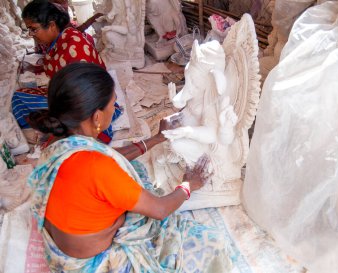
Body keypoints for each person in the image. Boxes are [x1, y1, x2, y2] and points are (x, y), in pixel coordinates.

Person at [28, 62, 235, 272]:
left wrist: (155, 139)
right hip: (93, 263)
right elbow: (160, 209)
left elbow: (110, 158)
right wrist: (188, 185)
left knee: (135, 171)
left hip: (66, 248)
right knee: (212, 243)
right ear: (97, 117)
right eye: (113, 103)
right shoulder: (97, 166)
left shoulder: (57, 143)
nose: (116, 108)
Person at [12, 0, 119, 143]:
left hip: (89, 104)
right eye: (29, 29)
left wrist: (59, 108)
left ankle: (59, 132)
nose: (31, 34)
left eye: (34, 29)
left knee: (19, 100)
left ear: (51, 25)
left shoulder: (74, 48)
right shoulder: (63, 37)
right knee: (19, 97)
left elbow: (84, 97)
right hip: (73, 94)